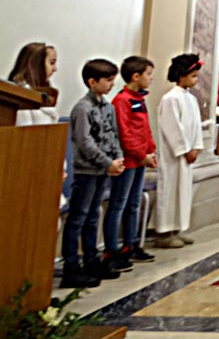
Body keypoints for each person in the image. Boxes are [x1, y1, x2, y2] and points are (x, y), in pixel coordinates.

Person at [61, 59, 125, 288]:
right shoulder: (82, 108)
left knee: (93, 216)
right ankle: (71, 266)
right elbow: (85, 142)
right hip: (87, 170)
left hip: (104, 169)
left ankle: (91, 260)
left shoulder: (107, 107)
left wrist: (118, 159)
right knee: (78, 217)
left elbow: (113, 135)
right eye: (108, 80)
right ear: (92, 82)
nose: (112, 84)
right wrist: (107, 162)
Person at [105, 55, 158, 270]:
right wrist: (141, 154)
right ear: (136, 76)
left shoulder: (139, 99)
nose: (151, 79)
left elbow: (145, 129)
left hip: (140, 160)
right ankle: (111, 250)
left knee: (134, 203)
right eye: (148, 74)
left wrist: (151, 150)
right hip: (127, 161)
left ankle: (131, 244)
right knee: (118, 204)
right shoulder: (122, 100)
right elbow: (124, 134)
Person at [155, 54, 204, 249]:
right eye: (193, 76)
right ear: (181, 76)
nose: (196, 80)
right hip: (174, 156)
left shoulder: (191, 98)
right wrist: (184, 149)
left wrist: (196, 147)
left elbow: (196, 125)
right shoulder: (170, 98)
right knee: (170, 191)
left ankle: (178, 228)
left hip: (188, 155)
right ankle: (165, 232)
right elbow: (172, 127)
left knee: (182, 192)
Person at [9, 41, 60, 124]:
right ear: (36, 64)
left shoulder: (45, 92)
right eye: (52, 63)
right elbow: (24, 130)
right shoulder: (21, 95)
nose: (55, 69)